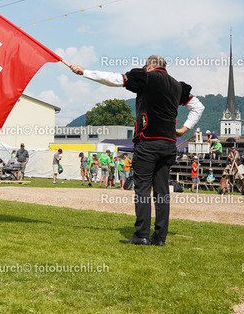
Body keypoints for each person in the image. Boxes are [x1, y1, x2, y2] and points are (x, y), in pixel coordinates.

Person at [71, 55, 204, 246]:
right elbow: (198, 107)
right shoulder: (178, 86)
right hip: (168, 144)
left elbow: (115, 79)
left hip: (148, 142)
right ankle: (159, 237)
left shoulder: (146, 77)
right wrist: (184, 129)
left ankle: (141, 234)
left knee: (142, 189)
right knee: (162, 191)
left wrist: (85, 72)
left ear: (149, 66)